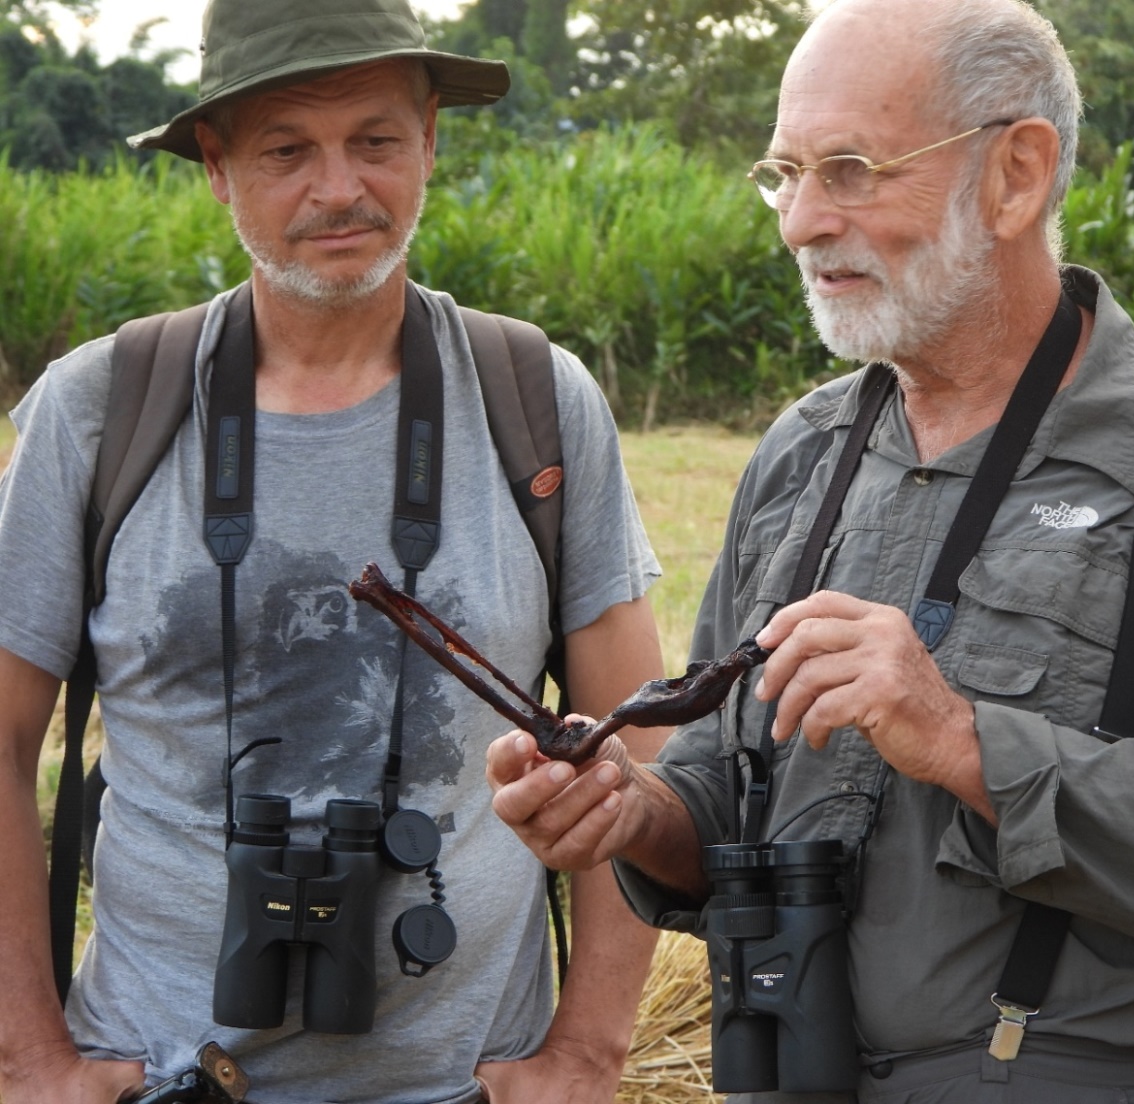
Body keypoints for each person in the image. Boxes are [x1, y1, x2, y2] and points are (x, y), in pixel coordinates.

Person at [486, 0, 1134, 1101]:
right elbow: (716, 803)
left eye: (851, 171)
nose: (800, 223)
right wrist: (630, 810)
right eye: (784, 173)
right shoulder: (801, 456)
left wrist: (958, 738)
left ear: (1014, 175)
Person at [0, 0, 668, 1101]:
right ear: (217, 167)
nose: (339, 189)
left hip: (466, 1082)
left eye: (375, 140)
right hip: (165, 1075)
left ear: (430, 142)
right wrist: (26, 1057)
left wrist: (589, 1051)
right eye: (286, 151)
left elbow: (630, 747)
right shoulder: (99, 409)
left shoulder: (537, 401)